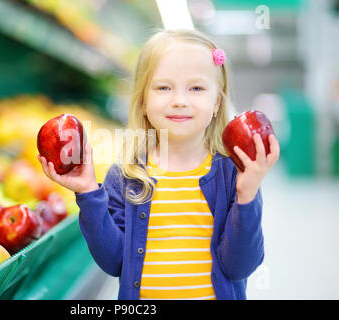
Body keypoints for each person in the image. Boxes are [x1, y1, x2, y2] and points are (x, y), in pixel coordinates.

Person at [38, 29, 280, 300]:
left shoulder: (233, 175)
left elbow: (240, 266)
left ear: (217, 102)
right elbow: (114, 261)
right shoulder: (125, 176)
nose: (179, 100)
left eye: (196, 88)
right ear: (143, 101)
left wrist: (247, 196)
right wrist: (88, 192)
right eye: (164, 87)